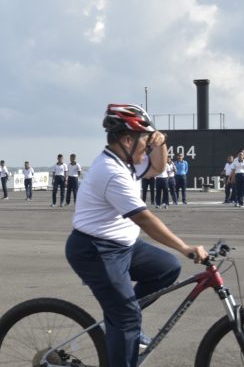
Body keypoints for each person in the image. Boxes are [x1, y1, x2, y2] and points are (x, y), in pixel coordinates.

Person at [66, 103, 206, 367]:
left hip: (125, 247)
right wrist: (184, 247)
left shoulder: (128, 162)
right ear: (127, 139)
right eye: (144, 141)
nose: (147, 148)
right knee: (128, 318)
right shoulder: (110, 171)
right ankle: (122, 323)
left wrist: (160, 143)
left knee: (166, 269)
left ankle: (118, 320)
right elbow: (144, 219)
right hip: (95, 250)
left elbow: (157, 168)